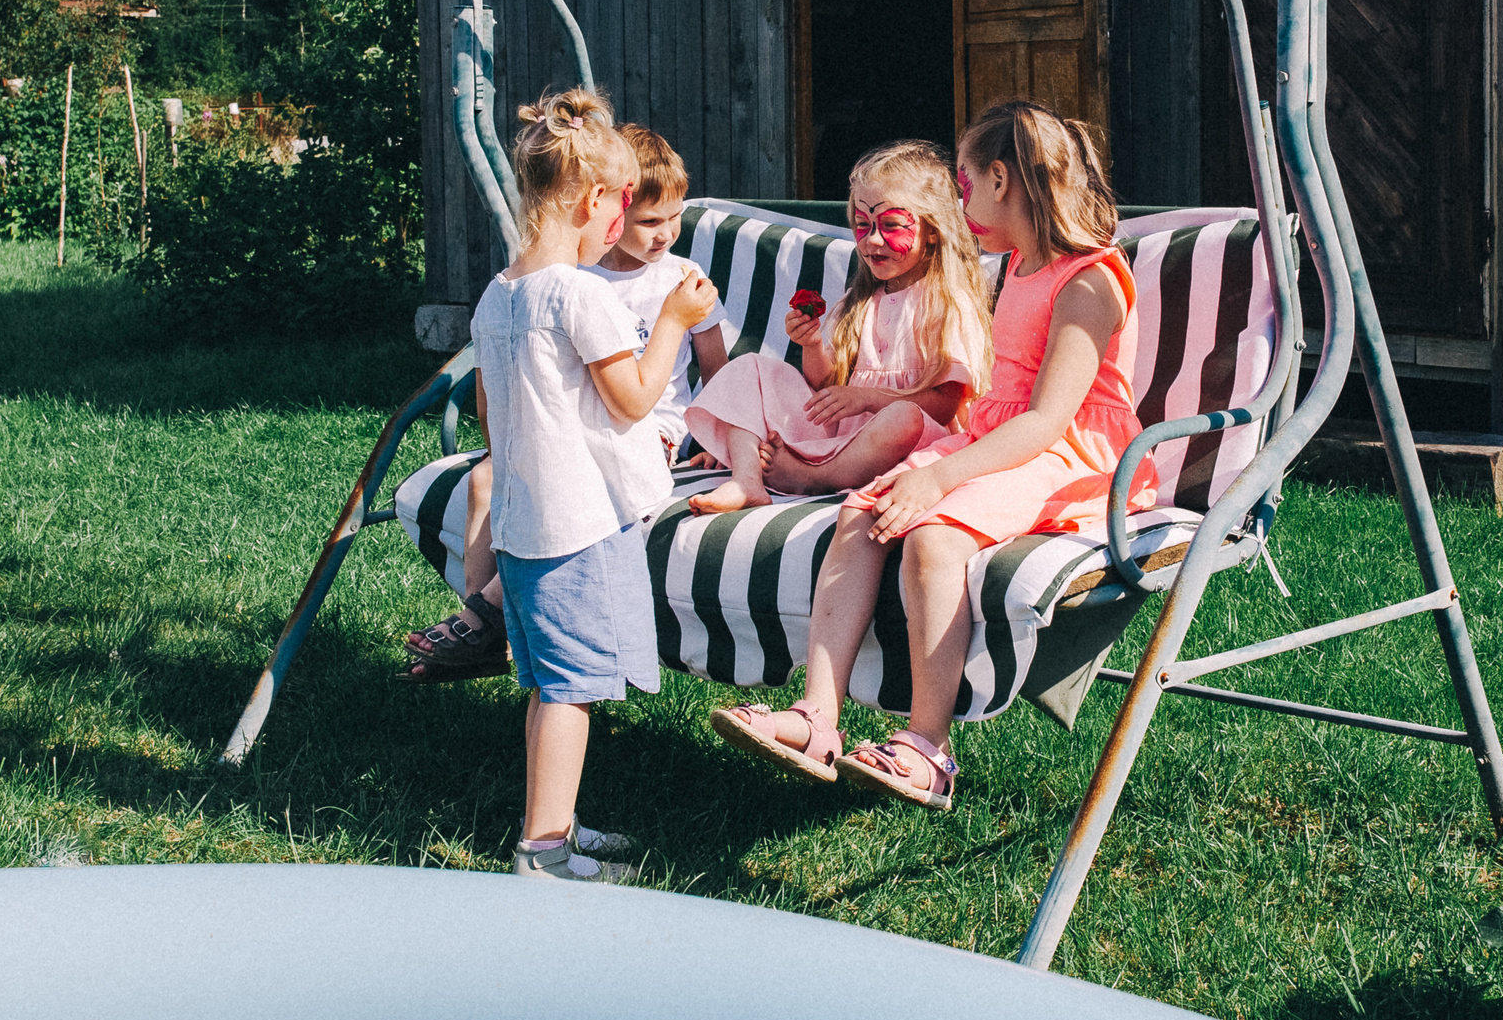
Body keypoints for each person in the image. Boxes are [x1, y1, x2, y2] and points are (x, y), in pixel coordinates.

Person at [710, 101, 1156, 809]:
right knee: (865, 511)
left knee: (933, 534)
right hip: (1000, 437)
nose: (962, 197)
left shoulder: (1091, 281)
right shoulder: (1018, 261)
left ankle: (927, 746)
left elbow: (1047, 420)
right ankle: (816, 715)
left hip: (1072, 457)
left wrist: (943, 475)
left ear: (1004, 181)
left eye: (968, 181)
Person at [466, 87, 717, 880]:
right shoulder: (581, 294)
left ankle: (555, 825)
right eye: (621, 204)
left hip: (522, 521)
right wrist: (674, 319)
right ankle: (543, 850)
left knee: (545, 683)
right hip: (579, 522)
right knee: (572, 689)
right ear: (588, 200)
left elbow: (489, 411)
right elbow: (637, 397)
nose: (624, 221)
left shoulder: (498, 294)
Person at [406, 124, 727, 682]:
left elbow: (710, 375)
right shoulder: (574, 281)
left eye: (676, 218)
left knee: (562, 493)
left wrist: (717, 439)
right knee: (486, 479)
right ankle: (484, 622)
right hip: (569, 433)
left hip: (651, 429)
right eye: (646, 218)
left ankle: (486, 612)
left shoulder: (678, 280)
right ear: (603, 205)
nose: (665, 234)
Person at [682, 139, 989, 514]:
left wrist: (869, 399)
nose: (873, 239)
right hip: (842, 436)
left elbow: (943, 406)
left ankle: (814, 479)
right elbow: (826, 387)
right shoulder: (857, 301)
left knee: (902, 417)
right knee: (749, 367)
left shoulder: (947, 304)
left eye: (891, 225)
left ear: (932, 230)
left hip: (912, 444)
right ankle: (747, 478)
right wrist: (812, 346)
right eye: (862, 225)